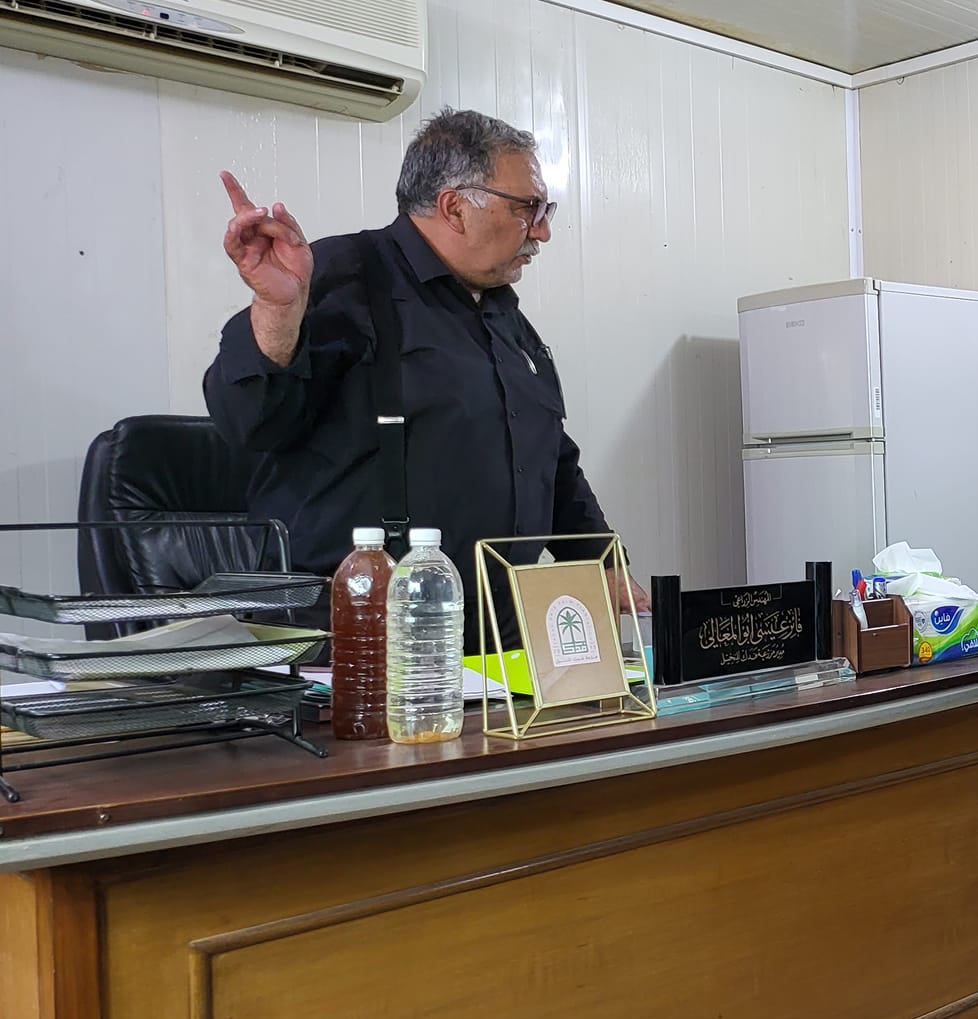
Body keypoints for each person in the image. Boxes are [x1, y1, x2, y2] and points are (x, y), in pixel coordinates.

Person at [203, 108, 646, 642]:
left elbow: (548, 453)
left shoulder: (504, 316)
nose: (543, 231)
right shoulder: (342, 276)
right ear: (455, 207)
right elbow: (249, 422)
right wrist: (276, 310)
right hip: (359, 637)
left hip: (493, 637)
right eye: (528, 208)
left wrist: (602, 560)